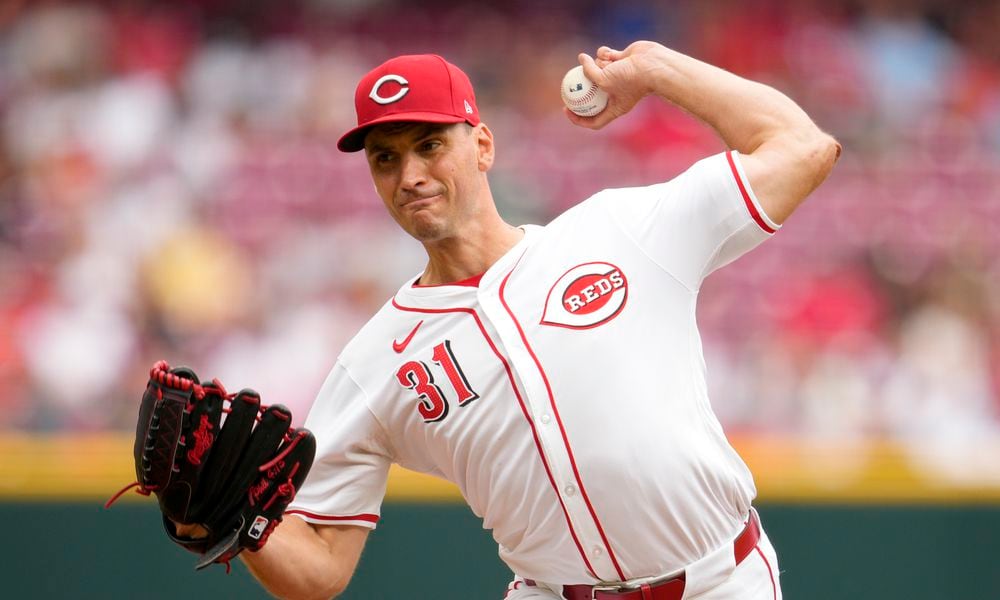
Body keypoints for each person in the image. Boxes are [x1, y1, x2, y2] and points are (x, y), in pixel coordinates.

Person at [226, 41, 840, 599]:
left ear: (483, 145)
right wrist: (233, 520)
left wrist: (655, 70)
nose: (410, 176)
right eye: (386, 158)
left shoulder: (621, 232)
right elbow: (321, 569)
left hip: (721, 584)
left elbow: (803, 147)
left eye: (430, 145)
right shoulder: (373, 362)